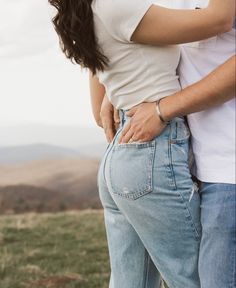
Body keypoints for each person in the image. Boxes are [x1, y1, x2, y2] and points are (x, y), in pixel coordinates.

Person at [48, 0, 235, 287]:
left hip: (124, 154)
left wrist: (126, 87)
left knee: (131, 283)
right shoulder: (117, 7)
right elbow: (218, 19)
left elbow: (99, 106)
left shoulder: (95, 10)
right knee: (198, 280)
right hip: (152, 155)